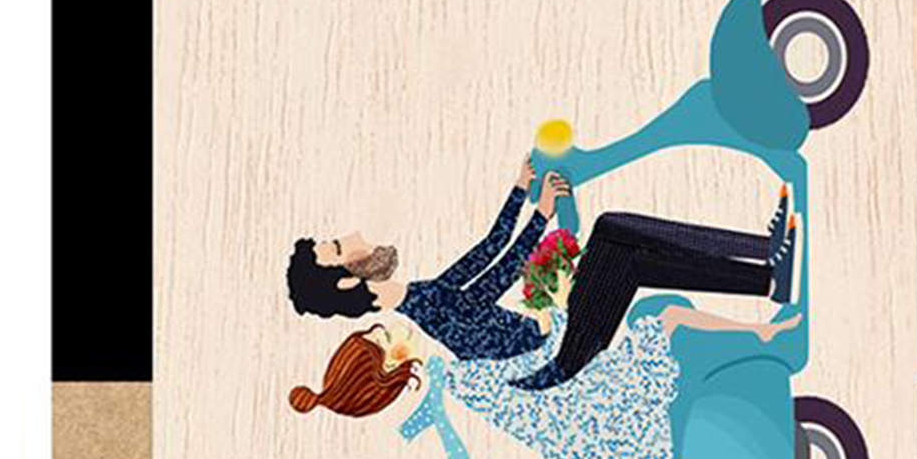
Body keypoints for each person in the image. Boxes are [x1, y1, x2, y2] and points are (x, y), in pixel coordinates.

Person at [291, 300, 802, 459]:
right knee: (664, 321)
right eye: (384, 339)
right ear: (391, 367)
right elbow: (533, 374)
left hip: (573, 406)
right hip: (579, 408)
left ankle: (759, 340)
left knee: (663, 325)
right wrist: (553, 316)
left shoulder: (451, 371)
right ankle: (761, 338)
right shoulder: (458, 378)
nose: (393, 330)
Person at [286, 160, 796, 386]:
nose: (352, 235)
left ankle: (765, 257)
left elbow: (483, 257)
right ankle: (769, 276)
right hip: (561, 357)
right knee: (622, 248)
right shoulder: (423, 308)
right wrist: (540, 213)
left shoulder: (417, 298)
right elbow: (497, 276)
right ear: (349, 280)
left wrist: (521, 193)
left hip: (556, 343)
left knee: (617, 235)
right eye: (339, 247)